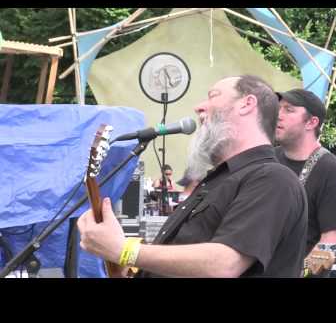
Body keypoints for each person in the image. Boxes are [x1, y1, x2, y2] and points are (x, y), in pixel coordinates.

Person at [77, 75, 308, 278]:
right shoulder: (216, 181)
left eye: (213, 96)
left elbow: (225, 264)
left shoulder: (273, 179)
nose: (199, 107)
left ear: (247, 104)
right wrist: (122, 260)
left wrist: (125, 250)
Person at [274, 88, 336, 275]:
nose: (278, 115)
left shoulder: (330, 169)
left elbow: (330, 243)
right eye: (278, 109)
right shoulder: (269, 159)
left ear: (311, 122)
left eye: (289, 110)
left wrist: (301, 274)